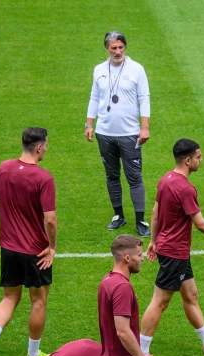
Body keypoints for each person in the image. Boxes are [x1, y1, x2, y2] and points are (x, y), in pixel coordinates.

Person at [139, 139, 204, 356]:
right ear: (188, 160)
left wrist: (153, 241)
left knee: (190, 295)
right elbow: (199, 223)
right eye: (199, 157)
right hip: (175, 253)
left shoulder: (165, 180)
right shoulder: (185, 188)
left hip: (170, 249)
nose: (201, 160)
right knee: (160, 302)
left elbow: (155, 213)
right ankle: (142, 353)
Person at [0, 128, 57, 356]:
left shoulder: (4, 168)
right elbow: (50, 219)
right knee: (38, 300)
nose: (46, 149)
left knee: (9, 298)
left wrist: (6, 228)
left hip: (9, 248)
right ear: (38, 147)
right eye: (46, 145)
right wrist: (52, 247)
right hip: (35, 251)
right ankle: (33, 355)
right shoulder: (43, 178)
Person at [85, 31, 151, 235]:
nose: (118, 51)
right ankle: (118, 216)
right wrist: (89, 124)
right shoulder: (99, 70)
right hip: (104, 133)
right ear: (106, 48)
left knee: (134, 177)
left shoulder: (136, 69)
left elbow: (144, 98)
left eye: (121, 47)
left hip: (130, 133)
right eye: (113, 48)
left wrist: (145, 127)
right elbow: (95, 97)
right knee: (112, 175)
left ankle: (140, 221)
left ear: (125, 47)